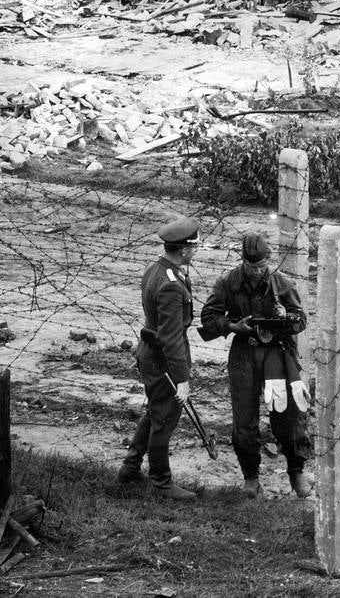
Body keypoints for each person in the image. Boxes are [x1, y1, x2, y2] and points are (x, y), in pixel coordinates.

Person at [199, 231, 311, 498]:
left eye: (262, 266)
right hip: (244, 353)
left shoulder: (280, 283)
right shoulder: (229, 282)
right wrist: (232, 326)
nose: (257, 272)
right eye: (252, 267)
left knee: (289, 415)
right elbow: (208, 316)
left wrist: (287, 316)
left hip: (277, 353)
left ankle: (296, 473)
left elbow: (301, 320)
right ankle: (251, 477)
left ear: (267, 262)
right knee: (244, 418)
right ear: (243, 262)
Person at [117, 215, 200, 501]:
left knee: (155, 411)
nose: (197, 250)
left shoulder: (157, 269)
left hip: (150, 352)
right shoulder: (171, 285)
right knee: (164, 418)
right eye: (195, 246)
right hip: (163, 360)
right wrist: (182, 380)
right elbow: (171, 338)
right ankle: (161, 482)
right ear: (185, 250)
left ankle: (130, 467)